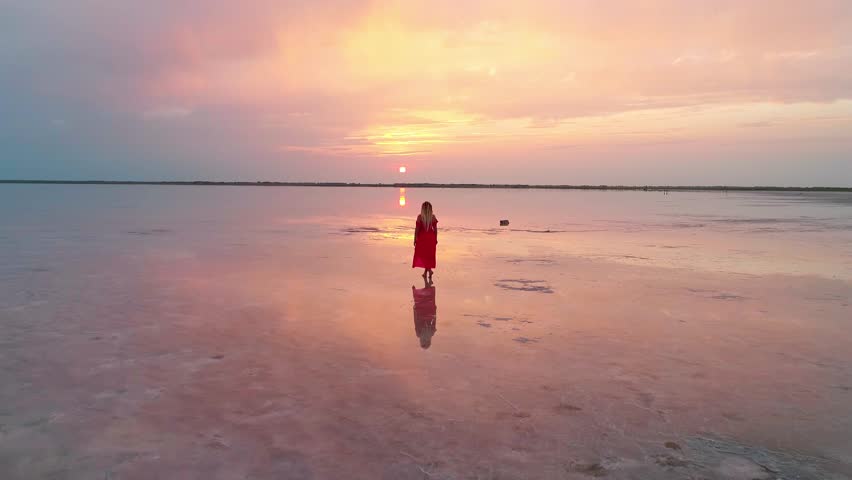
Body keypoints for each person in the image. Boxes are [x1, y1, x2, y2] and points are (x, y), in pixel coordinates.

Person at [412, 201, 438, 279]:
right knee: (428, 256)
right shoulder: (433, 217)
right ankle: (428, 271)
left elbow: (417, 229)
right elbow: (435, 230)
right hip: (431, 238)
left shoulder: (420, 217)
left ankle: (428, 271)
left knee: (423, 256)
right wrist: (436, 239)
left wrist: (415, 239)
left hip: (422, 238)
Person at [412, 279, 437, 349]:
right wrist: (414, 311)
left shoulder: (431, 333)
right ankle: (427, 282)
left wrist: (435, 311)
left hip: (428, 313)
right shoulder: (419, 334)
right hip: (422, 314)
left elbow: (434, 320)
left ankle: (428, 283)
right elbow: (416, 321)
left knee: (428, 297)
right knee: (425, 299)